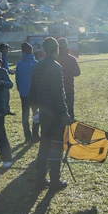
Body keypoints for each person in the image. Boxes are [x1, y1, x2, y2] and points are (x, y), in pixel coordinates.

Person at [30, 37, 71, 189]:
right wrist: (64, 112)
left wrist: (35, 109)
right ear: (57, 49)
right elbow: (59, 93)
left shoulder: (37, 66)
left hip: (43, 112)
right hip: (55, 113)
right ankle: (55, 180)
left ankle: (40, 178)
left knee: (44, 145)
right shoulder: (56, 67)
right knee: (57, 147)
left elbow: (32, 90)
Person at [15, 42, 38, 142]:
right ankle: (35, 134)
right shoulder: (35, 64)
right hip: (34, 93)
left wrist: (20, 89)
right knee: (36, 114)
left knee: (25, 114)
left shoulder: (19, 64)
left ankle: (27, 135)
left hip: (23, 93)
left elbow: (17, 79)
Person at [59, 37, 81, 117]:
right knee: (70, 111)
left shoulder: (55, 59)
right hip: (69, 88)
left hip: (57, 90)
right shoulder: (72, 59)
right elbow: (77, 72)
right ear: (66, 45)